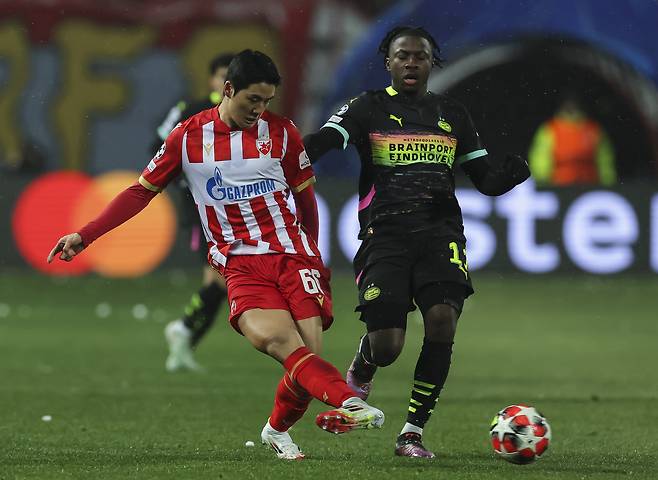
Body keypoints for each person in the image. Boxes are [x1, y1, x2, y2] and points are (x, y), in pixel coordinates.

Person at [47, 49, 385, 460]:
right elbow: (139, 192)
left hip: (294, 257)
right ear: (228, 89)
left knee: (307, 362)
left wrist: (312, 252)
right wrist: (85, 235)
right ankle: (351, 402)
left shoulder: (283, 133)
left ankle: (277, 431)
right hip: (240, 264)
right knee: (279, 342)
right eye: (252, 100)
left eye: (266, 101)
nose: (258, 110)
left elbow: (305, 199)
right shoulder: (187, 138)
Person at [303, 26, 530, 458]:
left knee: (442, 320)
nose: (411, 62)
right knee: (387, 346)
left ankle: (411, 432)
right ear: (388, 62)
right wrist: (285, 154)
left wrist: (510, 176)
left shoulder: (452, 113)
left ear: (431, 62)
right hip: (385, 235)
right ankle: (365, 362)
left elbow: (484, 180)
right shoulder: (367, 107)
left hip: (440, 233)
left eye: (420, 56)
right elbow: (324, 142)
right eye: (403, 55)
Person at [156, 53, 235, 372]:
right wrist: (182, 180)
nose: (226, 82)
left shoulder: (246, 114)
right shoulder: (190, 110)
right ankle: (184, 331)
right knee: (222, 280)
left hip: (233, 207)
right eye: (221, 76)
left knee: (221, 282)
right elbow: (157, 147)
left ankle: (184, 337)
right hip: (202, 207)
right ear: (212, 80)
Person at [529, 97, 616, 186]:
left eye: (574, 106)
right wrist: (542, 181)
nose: (571, 109)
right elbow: (541, 156)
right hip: (559, 184)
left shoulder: (593, 129)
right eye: (568, 106)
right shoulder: (550, 129)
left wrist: (608, 182)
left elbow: (605, 160)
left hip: (589, 184)